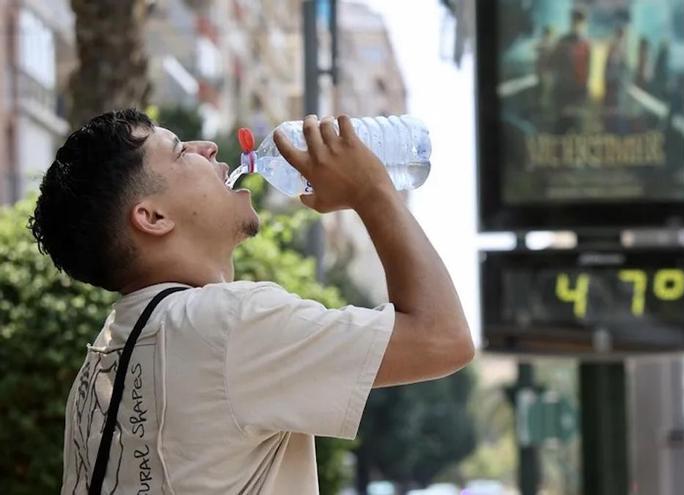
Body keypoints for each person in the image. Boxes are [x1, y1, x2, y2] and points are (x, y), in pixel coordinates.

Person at [29, 109, 474, 494]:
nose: (208, 147)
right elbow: (443, 338)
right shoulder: (226, 326)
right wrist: (372, 191)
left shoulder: (100, 364)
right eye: (181, 151)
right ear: (152, 217)